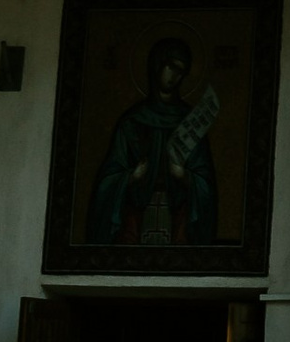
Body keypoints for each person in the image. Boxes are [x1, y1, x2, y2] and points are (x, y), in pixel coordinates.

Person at [86, 37, 222, 247]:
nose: (175, 76)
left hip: (178, 219)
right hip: (136, 217)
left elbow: (206, 186)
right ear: (157, 64)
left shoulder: (191, 122)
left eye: (181, 71)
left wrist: (184, 176)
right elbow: (107, 182)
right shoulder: (131, 122)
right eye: (171, 67)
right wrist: (131, 177)